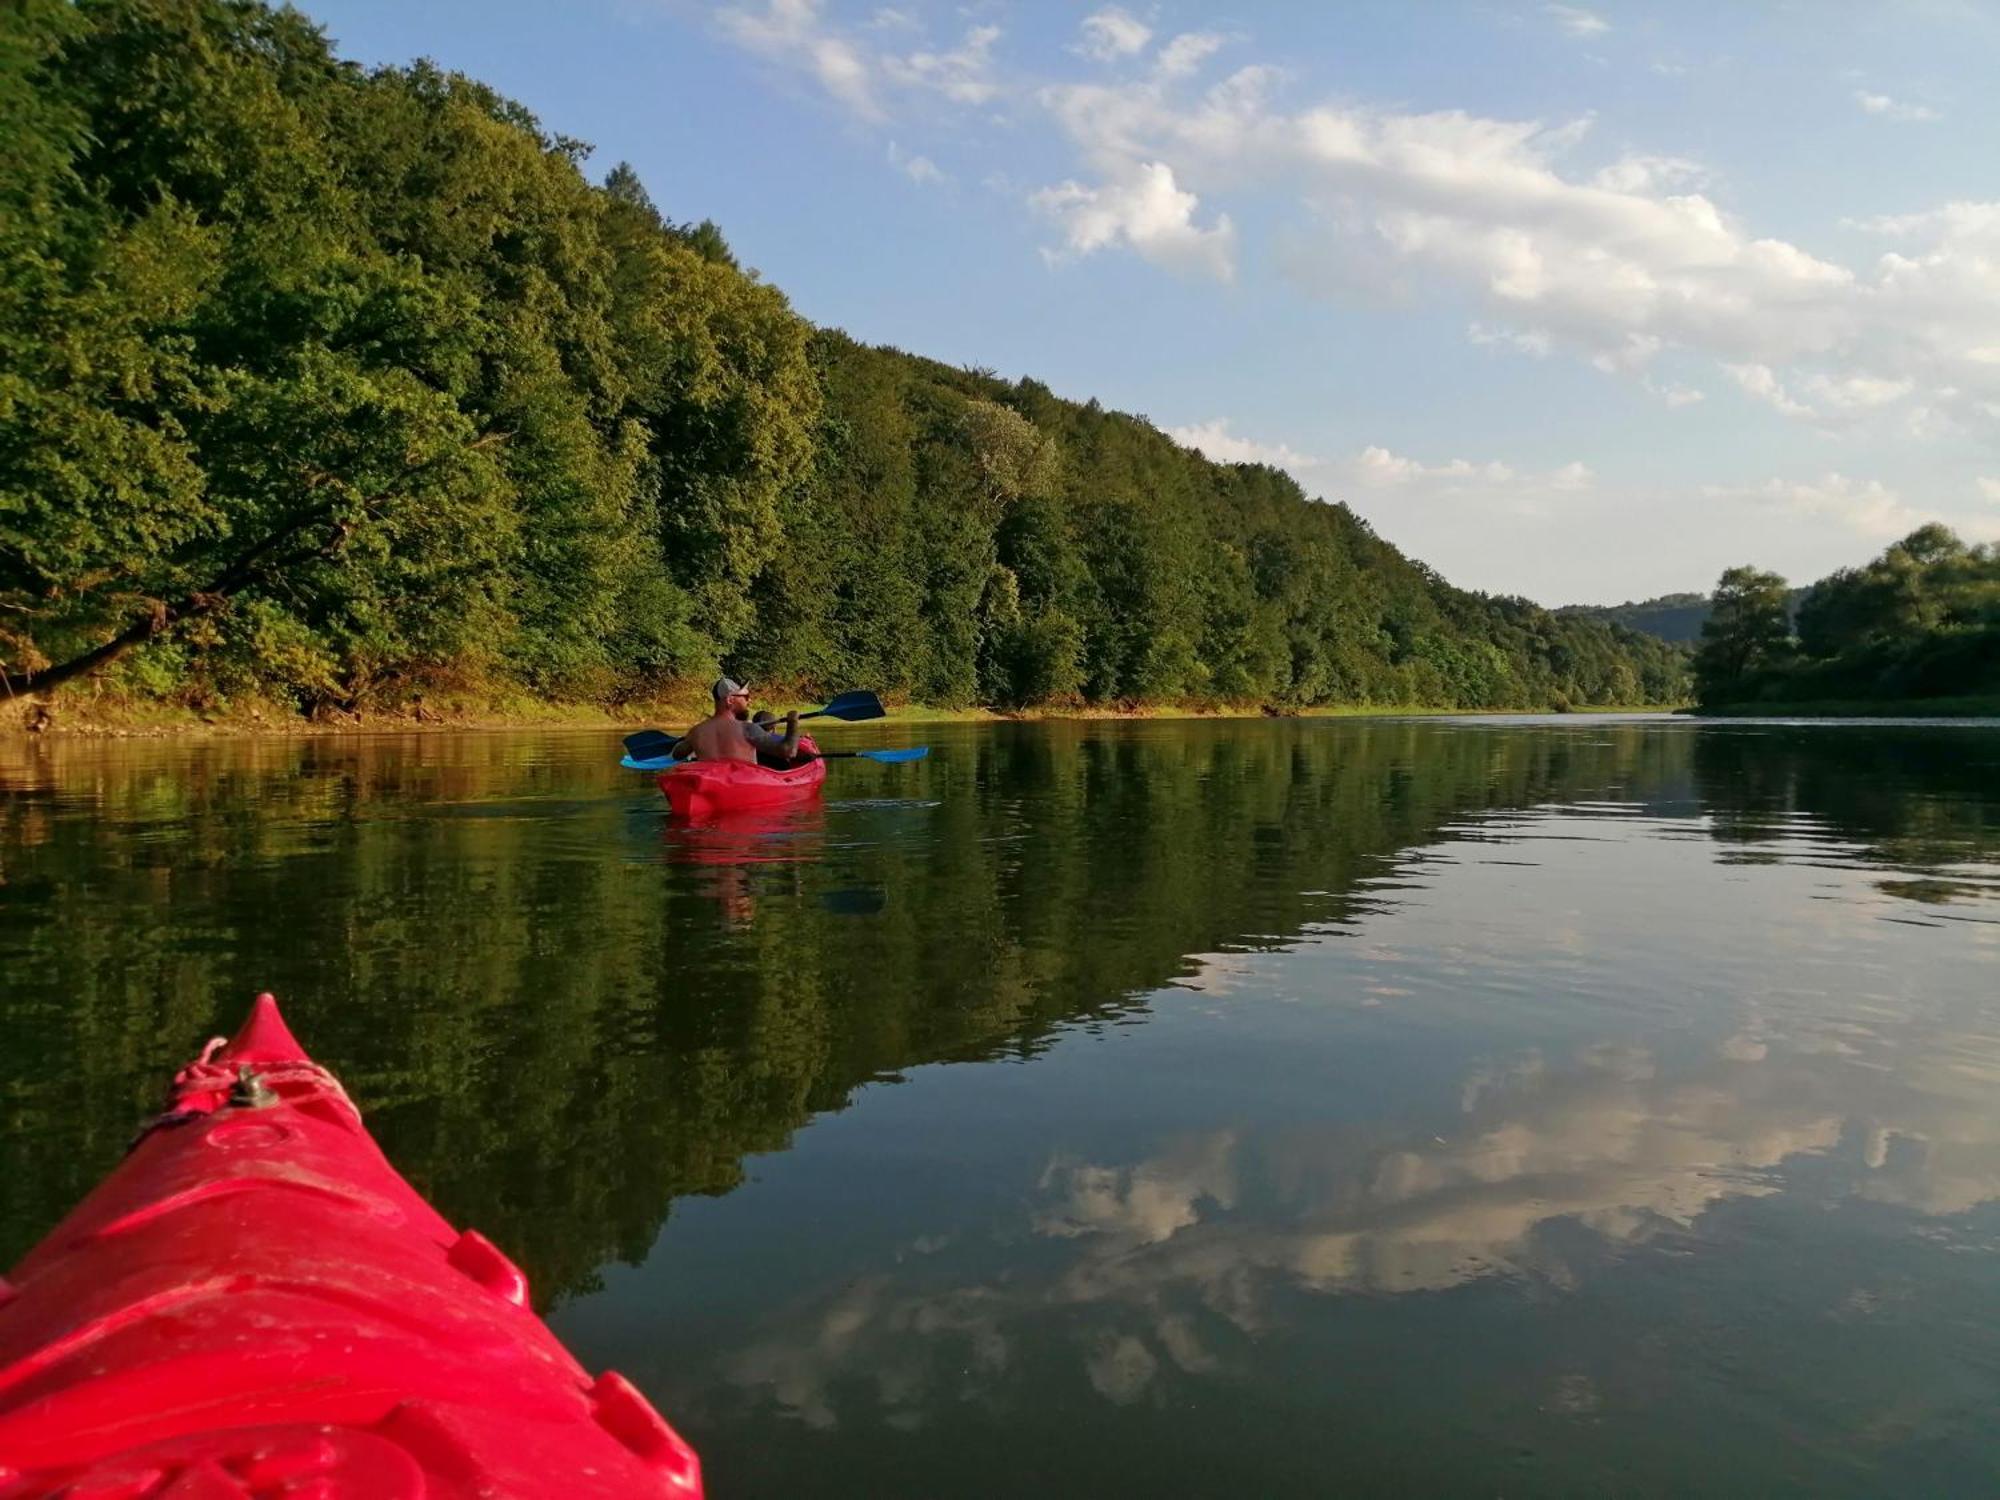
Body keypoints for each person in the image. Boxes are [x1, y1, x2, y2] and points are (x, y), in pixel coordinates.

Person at [672, 677, 802, 765]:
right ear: (730, 700)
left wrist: (688, 741)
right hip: (743, 791)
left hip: (712, 787)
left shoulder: (696, 732)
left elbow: (677, 755)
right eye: (745, 696)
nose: (749, 701)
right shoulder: (746, 729)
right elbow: (789, 751)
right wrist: (793, 722)